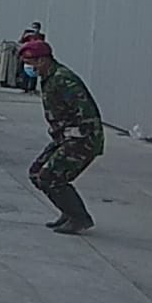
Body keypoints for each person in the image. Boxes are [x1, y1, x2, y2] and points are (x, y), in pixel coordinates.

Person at [20, 40, 101, 235]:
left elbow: (87, 113)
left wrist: (76, 135)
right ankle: (68, 211)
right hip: (63, 138)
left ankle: (79, 218)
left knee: (50, 177)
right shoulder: (48, 77)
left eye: (30, 63)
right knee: (36, 173)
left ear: (43, 60)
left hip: (82, 139)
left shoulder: (63, 79)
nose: (28, 67)